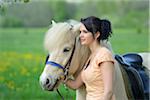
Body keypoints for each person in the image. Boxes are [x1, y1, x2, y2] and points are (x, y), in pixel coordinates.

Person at [64, 16, 115, 100]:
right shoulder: (91, 56)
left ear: (97, 34)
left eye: (85, 32)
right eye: (80, 32)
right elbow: (75, 84)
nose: (81, 36)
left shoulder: (104, 55)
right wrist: (60, 78)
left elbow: (108, 91)